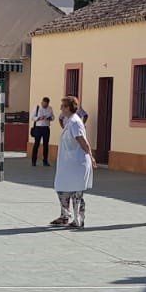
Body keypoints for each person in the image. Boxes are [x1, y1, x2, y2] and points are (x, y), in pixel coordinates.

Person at [51, 96, 94, 229]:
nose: (60, 108)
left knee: (77, 193)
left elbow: (82, 140)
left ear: (69, 107)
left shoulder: (75, 122)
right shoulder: (69, 121)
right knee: (61, 188)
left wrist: (91, 156)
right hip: (68, 164)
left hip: (77, 164)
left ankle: (78, 220)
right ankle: (65, 216)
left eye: (63, 106)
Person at [30, 96, 54, 166]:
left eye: (46, 105)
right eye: (44, 104)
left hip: (46, 128)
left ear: (48, 104)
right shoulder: (37, 108)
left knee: (46, 144)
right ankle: (33, 161)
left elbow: (53, 117)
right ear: (42, 102)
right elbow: (32, 117)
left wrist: (50, 118)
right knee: (36, 144)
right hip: (38, 128)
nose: (45, 106)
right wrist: (39, 118)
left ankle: (45, 161)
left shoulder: (50, 108)